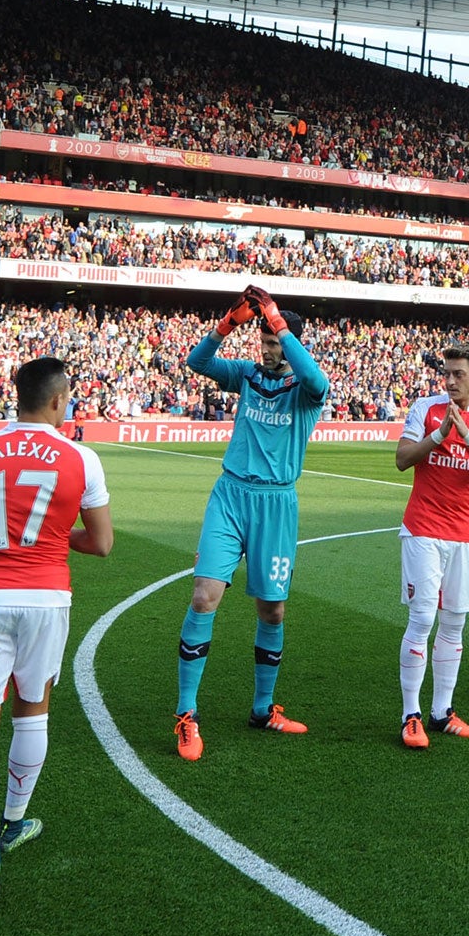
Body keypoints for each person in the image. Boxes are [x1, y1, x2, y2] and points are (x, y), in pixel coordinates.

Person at [0, 357, 114, 898]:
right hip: (47, 597)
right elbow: (102, 543)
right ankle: (14, 821)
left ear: (16, 396)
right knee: (33, 709)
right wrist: (52, 535)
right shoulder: (81, 458)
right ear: (59, 401)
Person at [174, 285, 330, 763]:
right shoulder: (246, 375)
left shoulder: (305, 391)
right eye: (263, 343)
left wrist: (282, 325)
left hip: (276, 505)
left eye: (275, 344)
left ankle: (262, 710)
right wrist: (229, 323)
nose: (266, 351)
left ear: (291, 343)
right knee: (205, 597)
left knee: (272, 613)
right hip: (230, 495)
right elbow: (197, 363)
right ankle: (186, 714)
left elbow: (318, 380)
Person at [395, 340, 469, 748]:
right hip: (422, 528)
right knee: (423, 618)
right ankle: (410, 715)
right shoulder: (425, 409)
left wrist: (467, 436)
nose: (450, 381)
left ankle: (442, 711)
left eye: (459, 374)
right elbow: (402, 458)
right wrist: (440, 434)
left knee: (455, 622)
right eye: (447, 373)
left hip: (461, 533)